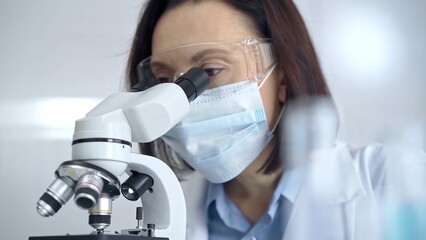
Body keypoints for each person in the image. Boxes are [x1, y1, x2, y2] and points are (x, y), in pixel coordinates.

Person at [125, 1, 426, 239]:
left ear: (283, 78)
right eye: (163, 80)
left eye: (210, 71)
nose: (181, 101)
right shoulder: (167, 213)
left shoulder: (395, 179)